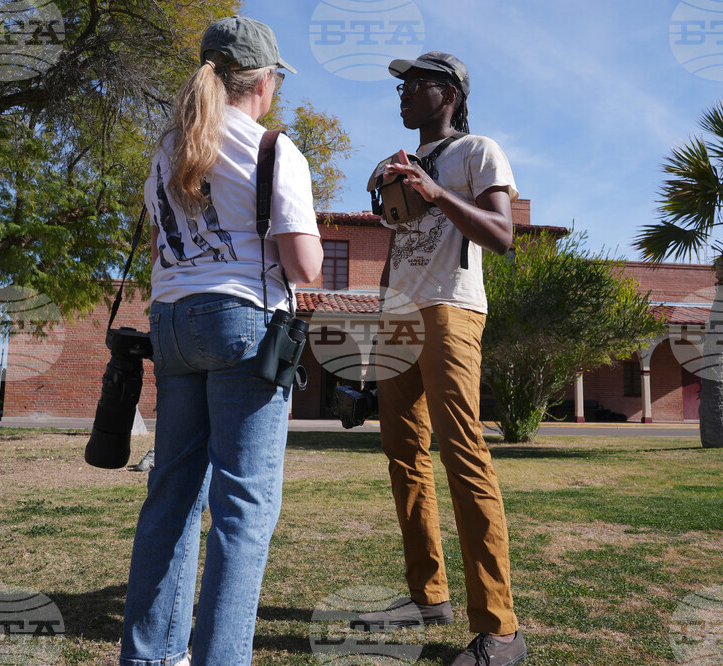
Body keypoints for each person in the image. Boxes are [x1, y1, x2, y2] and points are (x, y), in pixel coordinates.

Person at [119, 16, 322, 666]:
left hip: (174, 323)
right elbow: (305, 266)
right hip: (246, 326)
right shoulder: (270, 150)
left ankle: (151, 656)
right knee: (243, 508)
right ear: (263, 81)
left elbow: (161, 247)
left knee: (172, 495)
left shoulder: (168, 150)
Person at [352, 52, 526, 665]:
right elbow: (399, 246)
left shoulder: (478, 151)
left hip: (452, 309)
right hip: (399, 315)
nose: (402, 93)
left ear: (448, 93)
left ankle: (501, 632)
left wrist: (434, 190)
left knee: (462, 453)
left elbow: (502, 237)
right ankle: (427, 596)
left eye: (416, 84)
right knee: (403, 458)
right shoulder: (393, 162)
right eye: (400, 85)